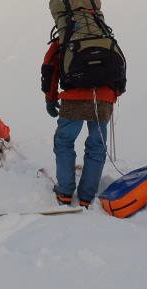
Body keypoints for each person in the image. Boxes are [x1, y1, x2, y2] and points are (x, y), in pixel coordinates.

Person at [42, 39, 118, 209]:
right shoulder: (101, 32)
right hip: (103, 98)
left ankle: (65, 192)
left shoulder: (65, 33)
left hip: (74, 97)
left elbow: (49, 68)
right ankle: (86, 197)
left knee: (64, 142)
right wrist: (112, 96)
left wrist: (50, 98)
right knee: (97, 145)